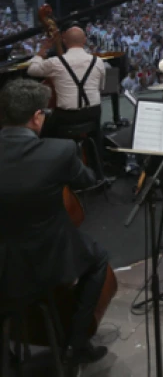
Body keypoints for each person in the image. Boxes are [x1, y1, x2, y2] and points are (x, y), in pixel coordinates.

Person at [0, 79, 110, 368]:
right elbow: (87, 180)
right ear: (37, 117)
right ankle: (76, 343)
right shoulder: (58, 151)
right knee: (99, 260)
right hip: (45, 262)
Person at [27, 25, 109, 180]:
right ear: (85, 41)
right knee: (96, 131)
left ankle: (57, 174)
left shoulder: (55, 63)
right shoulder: (98, 62)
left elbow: (32, 70)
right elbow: (100, 88)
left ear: (64, 42)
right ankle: (98, 173)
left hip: (66, 116)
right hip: (92, 113)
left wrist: (42, 51)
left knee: (43, 132)